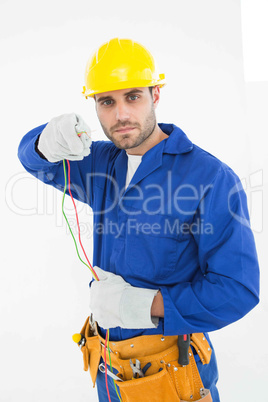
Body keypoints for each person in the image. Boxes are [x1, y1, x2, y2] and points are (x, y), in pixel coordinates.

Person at [18, 37, 260, 402]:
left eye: (133, 96)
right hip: (109, 369)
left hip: (172, 373)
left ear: (155, 94)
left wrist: (143, 306)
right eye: (106, 102)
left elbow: (238, 290)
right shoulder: (100, 162)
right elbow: (33, 160)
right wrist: (44, 141)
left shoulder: (210, 179)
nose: (121, 115)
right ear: (94, 106)